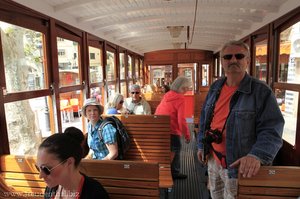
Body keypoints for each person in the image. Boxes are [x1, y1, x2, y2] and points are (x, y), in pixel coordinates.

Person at [197, 40, 284, 198]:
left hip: (238, 167)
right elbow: (205, 118)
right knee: (215, 195)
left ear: (248, 61)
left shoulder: (261, 92)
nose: (233, 60)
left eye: (239, 56)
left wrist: (256, 155)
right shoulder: (215, 87)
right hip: (213, 159)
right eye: (228, 57)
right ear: (222, 62)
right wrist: (201, 145)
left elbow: (272, 130)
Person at [36, 128, 110, 199]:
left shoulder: (95, 194)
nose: (40, 176)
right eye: (38, 168)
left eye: (46, 169)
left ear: (69, 163)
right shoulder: (51, 190)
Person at [155, 76, 191, 180]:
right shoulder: (180, 98)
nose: (187, 90)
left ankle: (172, 171)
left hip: (160, 127)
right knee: (176, 148)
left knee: (170, 148)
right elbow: (181, 120)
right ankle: (168, 172)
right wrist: (187, 135)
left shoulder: (167, 95)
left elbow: (159, 110)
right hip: (171, 129)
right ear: (182, 88)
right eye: (186, 88)